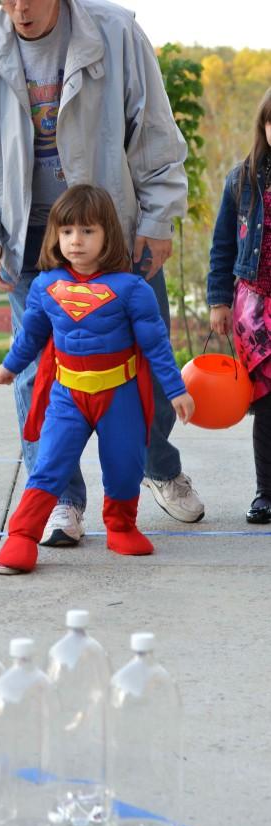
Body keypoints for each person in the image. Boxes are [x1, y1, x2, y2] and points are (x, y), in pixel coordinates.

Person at [0, 0, 204, 542]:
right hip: (30, 238)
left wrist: (158, 220)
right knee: (37, 372)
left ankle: (158, 466)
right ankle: (60, 499)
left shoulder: (116, 32)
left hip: (117, 232)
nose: (20, 9)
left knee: (142, 361)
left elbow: (154, 136)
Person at [0, 185, 194, 575]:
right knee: (50, 464)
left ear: (107, 236)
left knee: (124, 466)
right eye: (66, 232)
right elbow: (30, 336)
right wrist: (10, 366)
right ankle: (21, 537)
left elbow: (156, 344)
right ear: (55, 235)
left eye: (87, 231)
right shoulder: (46, 286)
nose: (76, 241)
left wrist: (177, 389)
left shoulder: (132, 289)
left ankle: (121, 525)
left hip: (120, 395)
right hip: (68, 395)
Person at [207, 88, 271, 525]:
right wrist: (217, 301)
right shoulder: (242, 180)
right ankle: (265, 491)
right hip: (257, 307)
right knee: (268, 402)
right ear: (264, 126)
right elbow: (223, 246)